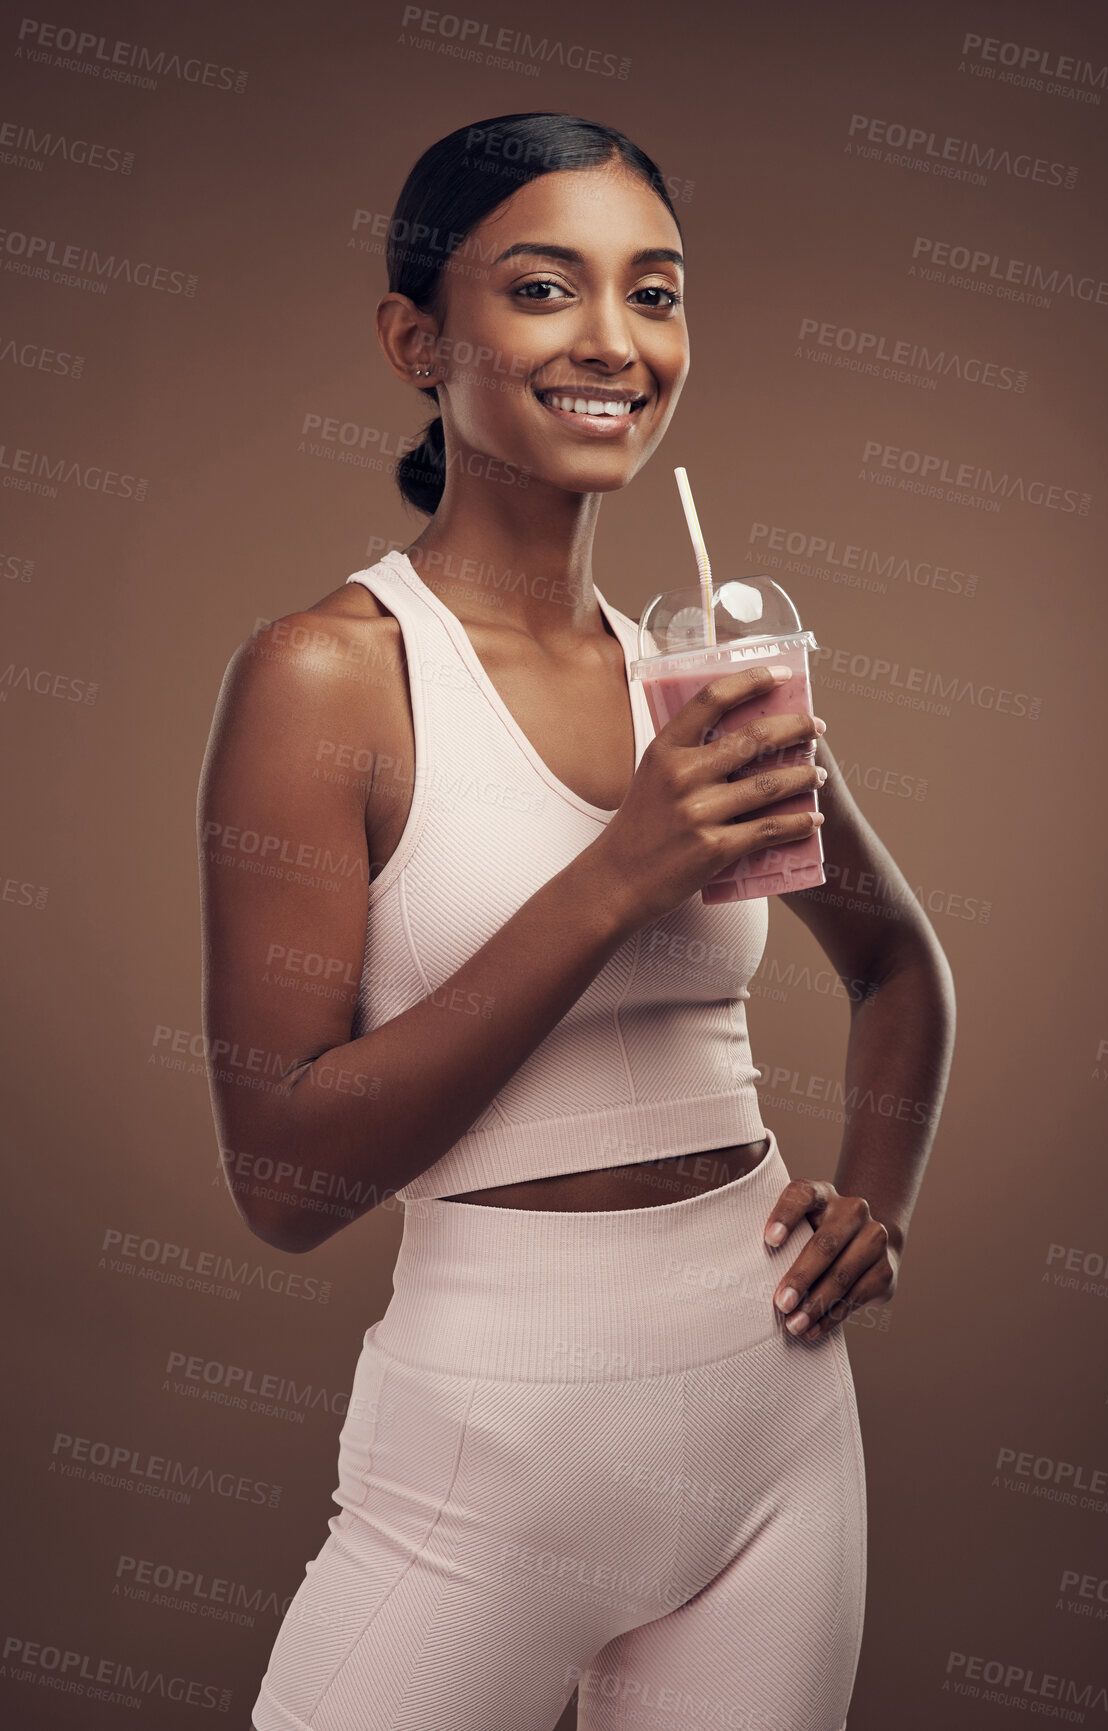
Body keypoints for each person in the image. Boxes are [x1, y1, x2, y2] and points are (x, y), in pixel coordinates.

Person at [198, 111, 955, 1731]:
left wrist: (876, 1209)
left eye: (657, 293)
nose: (615, 342)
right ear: (418, 337)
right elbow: (281, 1179)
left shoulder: (701, 678)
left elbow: (898, 967)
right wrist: (624, 870)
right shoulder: (331, 677)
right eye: (545, 289)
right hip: (490, 1449)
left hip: (778, 1424)